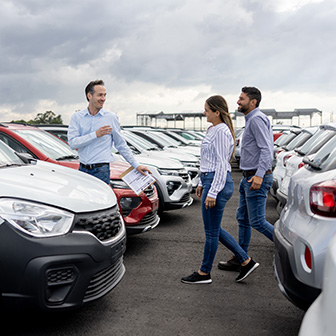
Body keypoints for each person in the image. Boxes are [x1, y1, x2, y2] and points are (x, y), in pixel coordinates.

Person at [181, 95, 259, 284]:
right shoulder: (212, 129)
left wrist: (213, 191)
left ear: (217, 112)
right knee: (213, 229)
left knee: (211, 232)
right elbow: (207, 161)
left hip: (218, 181)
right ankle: (246, 261)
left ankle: (204, 273)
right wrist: (200, 183)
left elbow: (222, 163)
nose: (204, 112)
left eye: (207, 109)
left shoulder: (222, 131)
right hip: (209, 180)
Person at [218, 87, 274, 272]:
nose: (238, 102)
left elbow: (266, 149)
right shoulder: (252, 119)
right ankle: (241, 257)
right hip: (247, 177)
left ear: (253, 102)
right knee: (242, 218)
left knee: (257, 221)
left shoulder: (256, 119)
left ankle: (289, 249)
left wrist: (258, 175)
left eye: (241, 99)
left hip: (256, 178)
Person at [68, 79, 150, 184]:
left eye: (105, 95)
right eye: (100, 95)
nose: (103, 99)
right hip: (82, 170)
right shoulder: (77, 117)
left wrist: (136, 165)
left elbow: (121, 145)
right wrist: (95, 135)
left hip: (101, 171)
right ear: (89, 96)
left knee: (100, 200)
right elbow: (72, 143)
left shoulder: (111, 117)